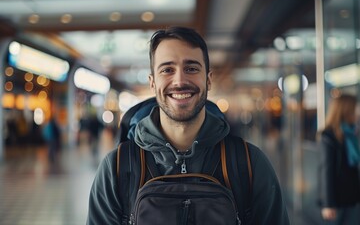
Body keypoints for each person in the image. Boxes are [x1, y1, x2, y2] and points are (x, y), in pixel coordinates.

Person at [87, 26, 290, 224]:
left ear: (208, 80)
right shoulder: (117, 168)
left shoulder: (249, 164)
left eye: (191, 68)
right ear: (152, 83)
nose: (180, 80)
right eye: (167, 69)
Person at [318, 94, 360, 225]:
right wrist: (328, 203)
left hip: (353, 193)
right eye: (355, 108)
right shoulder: (328, 135)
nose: (358, 112)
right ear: (346, 110)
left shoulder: (353, 132)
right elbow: (326, 170)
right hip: (338, 197)